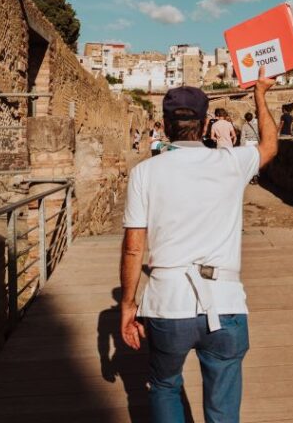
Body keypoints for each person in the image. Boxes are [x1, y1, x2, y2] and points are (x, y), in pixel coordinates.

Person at [119, 66, 278, 423]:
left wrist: (128, 305)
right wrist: (260, 95)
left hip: (167, 302)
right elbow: (269, 145)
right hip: (224, 303)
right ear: (206, 124)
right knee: (222, 406)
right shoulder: (230, 162)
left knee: (164, 385)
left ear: (165, 123)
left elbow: (133, 248)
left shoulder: (145, 172)